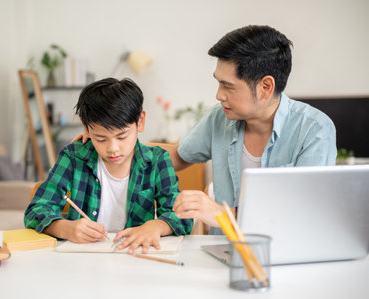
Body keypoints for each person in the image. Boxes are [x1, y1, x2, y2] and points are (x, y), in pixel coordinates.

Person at [171, 25, 337, 234]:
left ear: (265, 87)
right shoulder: (219, 117)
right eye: (218, 84)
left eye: (228, 86)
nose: (219, 95)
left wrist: (223, 215)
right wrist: (123, 144)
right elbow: (178, 155)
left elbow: (305, 213)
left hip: (285, 257)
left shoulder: (315, 131)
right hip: (223, 254)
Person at [24, 77, 192, 253]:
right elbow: (35, 210)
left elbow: (183, 217)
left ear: (140, 121)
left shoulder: (158, 160)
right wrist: (65, 228)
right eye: (101, 138)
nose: (113, 149)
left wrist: (156, 226)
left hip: (134, 257)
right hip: (83, 259)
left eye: (122, 137)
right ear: (86, 128)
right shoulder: (73, 157)